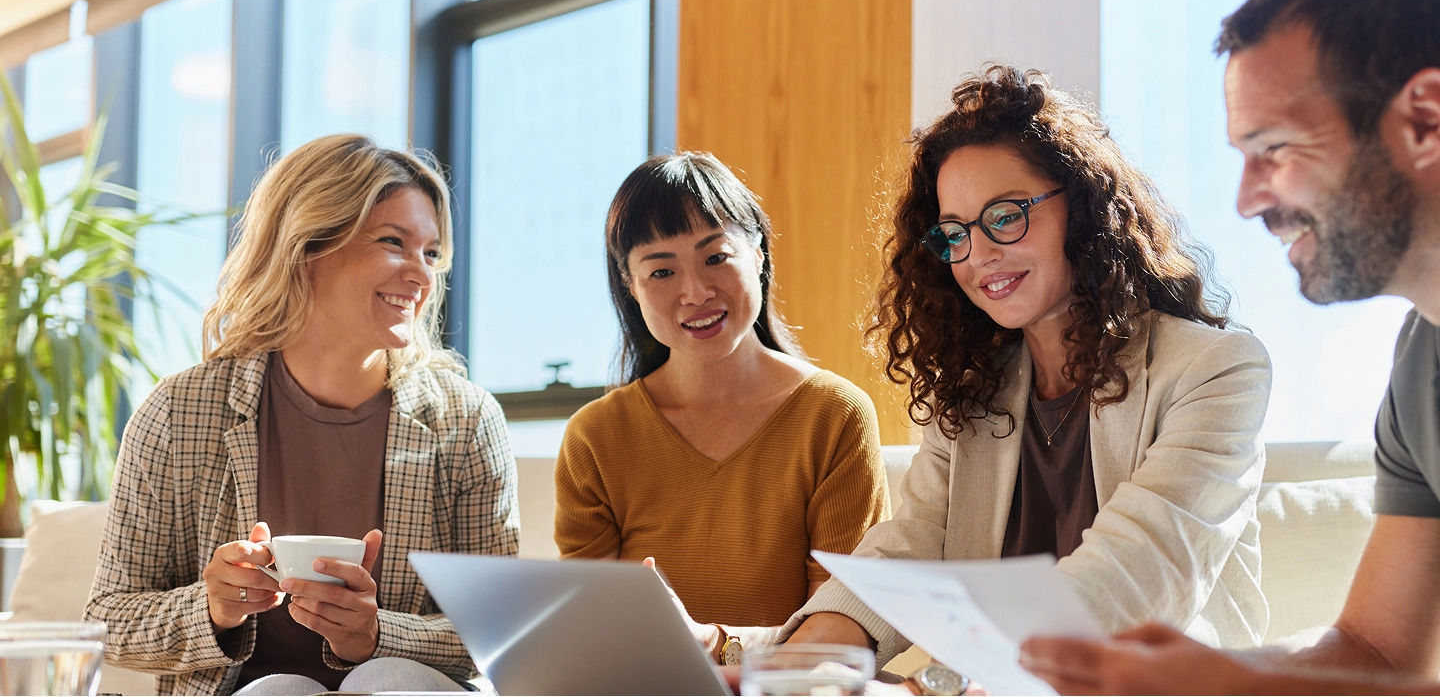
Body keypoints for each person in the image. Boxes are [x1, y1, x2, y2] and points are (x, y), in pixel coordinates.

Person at [1018, 0, 1440, 694]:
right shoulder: (1419, 360)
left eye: (1274, 148)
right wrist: (1205, 674)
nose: (1247, 200)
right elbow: (1376, 650)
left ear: (1426, 121)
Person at [777, 64, 1274, 671]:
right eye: (954, 232)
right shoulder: (969, 392)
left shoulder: (1215, 370)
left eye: (1006, 216)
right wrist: (799, 665)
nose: (979, 254)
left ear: (1085, 208)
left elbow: (1138, 574)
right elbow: (908, 550)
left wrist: (939, 684)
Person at [85, 134, 520, 695]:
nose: (422, 275)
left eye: (431, 253)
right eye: (394, 242)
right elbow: (107, 622)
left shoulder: (466, 420)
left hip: (401, 689)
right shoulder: (179, 412)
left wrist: (375, 635)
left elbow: (501, 631)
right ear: (307, 245)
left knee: (386, 678)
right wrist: (212, 607)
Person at [553, 151, 890, 662]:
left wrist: (718, 646)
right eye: (661, 271)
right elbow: (593, 634)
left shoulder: (835, 414)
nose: (696, 292)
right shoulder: (596, 437)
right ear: (631, 286)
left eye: (716, 257)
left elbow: (841, 624)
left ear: (758, 254)